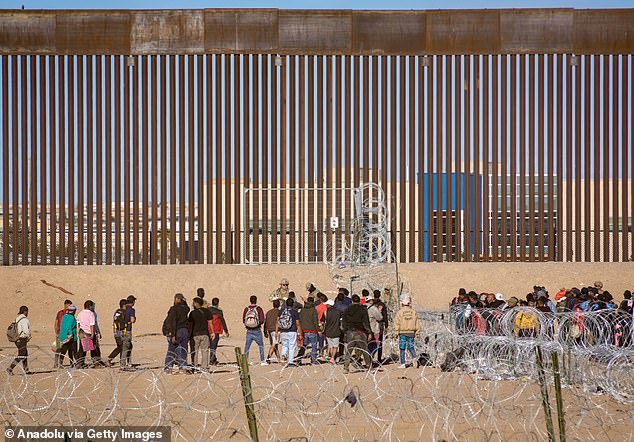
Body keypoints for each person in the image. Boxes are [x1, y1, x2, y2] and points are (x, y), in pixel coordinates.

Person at [341, 294, 372, 373]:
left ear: (352, 301)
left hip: (350, 332)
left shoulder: (347, 310)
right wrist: (369, 332)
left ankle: (346, 367)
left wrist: (345, 331)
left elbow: (344, 322)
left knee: (349, 350)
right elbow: (366, 322)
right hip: (360, 332)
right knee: (364, 350)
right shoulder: (363, 309)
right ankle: (368, 366)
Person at [162, 293, 190, 372]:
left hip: (177, 330)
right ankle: (183, 366)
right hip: (185, 331)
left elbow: (173, 322)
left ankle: (168, 366)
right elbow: (186, 307)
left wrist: (173, 334)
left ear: (177, 299)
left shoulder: (174, 309)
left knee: (171, 349)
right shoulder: (186, 309)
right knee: (184, 349)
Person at [393, 295, 421, 368]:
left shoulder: (400, 312)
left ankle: (403, 363)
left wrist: (396, 333)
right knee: (411, 347)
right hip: (411, 333)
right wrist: (417, 332)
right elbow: (417, 323)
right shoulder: (413, 312)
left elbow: (397, 323)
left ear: (402, 303)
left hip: (402, 333)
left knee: (402, 348)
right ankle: (414, 358)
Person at [276, 297, 302, 366]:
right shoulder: (294, 312)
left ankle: (283, 359)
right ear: (293, 304)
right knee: (291, 346)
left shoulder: (281, 311)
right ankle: (290, 361)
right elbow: (297, 323)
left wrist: (276, 332)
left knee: (284, 345)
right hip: (292, 331)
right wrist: (300, 332)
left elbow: (277, 322)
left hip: (283, 331)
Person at [188, 297, 212, 370]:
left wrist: (189, 335)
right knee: (205, 351)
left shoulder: (192, 313)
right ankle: (204, 367)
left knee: (195, 351)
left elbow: (190, 325)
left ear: (196, 303)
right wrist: (212, 332)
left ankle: (194, 367)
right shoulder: (207, 311)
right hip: (205, 333)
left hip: (195, 334)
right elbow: (210, 323)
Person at [243, 295, 267, 365]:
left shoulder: (246, 309)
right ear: (256, 300)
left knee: (247, 346)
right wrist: (257, 324)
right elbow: (262, 320)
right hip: (257, 330)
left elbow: (243, 319)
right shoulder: (259, 309)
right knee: (261, 346)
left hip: (249, 330)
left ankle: (245, 361)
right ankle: (262, 360)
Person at [7, 306, 31, 375]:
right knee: (22, 354)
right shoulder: (24, 319)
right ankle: (10, 368)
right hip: (22, 339)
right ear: (25, 311)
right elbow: (26, 330)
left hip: (17, 339)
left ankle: (26, 369)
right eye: (27, 311)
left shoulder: (17, 319)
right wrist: (28, 337)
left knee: (25, 353)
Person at [298, 296, 319, 364]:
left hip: (304, 331)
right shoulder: (313, 310)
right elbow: (315, 321)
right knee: (314, 346)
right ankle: (313, 360)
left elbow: (300, 320)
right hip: (313, 330)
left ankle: (299, 358)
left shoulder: (302, 310)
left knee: (304, 346)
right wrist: (318, 330)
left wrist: (300, 330)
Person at [107, 299, 128, 366]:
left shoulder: (117, 311)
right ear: (124, 305)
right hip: (121, 332)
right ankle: (110, 359)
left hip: (116, 332)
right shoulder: (123, 312)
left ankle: (116, 360)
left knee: (120, 347)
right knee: (121, 347)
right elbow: (122, 324)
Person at [76, 300, 96, 368]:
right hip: (88, 332)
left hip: (81, 332)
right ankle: (95, 362)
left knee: (82, 348)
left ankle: (79, 363)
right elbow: (92, 325)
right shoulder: (91, 314)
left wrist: (81, 328)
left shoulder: (80, 313)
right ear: (89, 306)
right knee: (92, 349)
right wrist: (93, 334)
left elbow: (78, 323)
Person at [55, 304, 77, 368]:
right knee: (72, 351)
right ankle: (73, 363)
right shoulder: (72, 317)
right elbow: (69, 326)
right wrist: (70, 334)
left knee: (63, 351)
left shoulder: (64, 316)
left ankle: (60, 363)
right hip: (70, 337)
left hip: (62, 336)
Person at [209, 297, 229, 365]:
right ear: (218, 303)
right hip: (216, 330)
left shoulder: (208, 310)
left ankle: (213, 359)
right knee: (213, 346)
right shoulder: (219, 312)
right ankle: (211, 360)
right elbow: (223, 322)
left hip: (208, 330)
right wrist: (226, 331)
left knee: (211, 346)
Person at [323, 299, 342, 364]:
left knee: (331, 346)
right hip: (336, 331)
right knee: (335, 346)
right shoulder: (338, 312)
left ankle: (331, 357)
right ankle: (333, 358)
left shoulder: (326, 312)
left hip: (328, 331)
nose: (326, 306)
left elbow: (325, 322)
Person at [121, 295, 137, 369]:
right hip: (127, 330)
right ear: (133, 302)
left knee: (128, 346)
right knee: (126, 347)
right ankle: (123, 365)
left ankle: (128, 363)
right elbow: (132, 320)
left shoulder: (122, 309)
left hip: (120, 331)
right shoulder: (131, 310)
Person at [264, 299, 281, 363]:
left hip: (270, 330)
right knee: (274, 344)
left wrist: (265, 331)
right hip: (277, 330)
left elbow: (266, 323)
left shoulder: (268, 312)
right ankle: (268, 358)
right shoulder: (280, 312)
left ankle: (279, 358)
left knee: (274, 345)